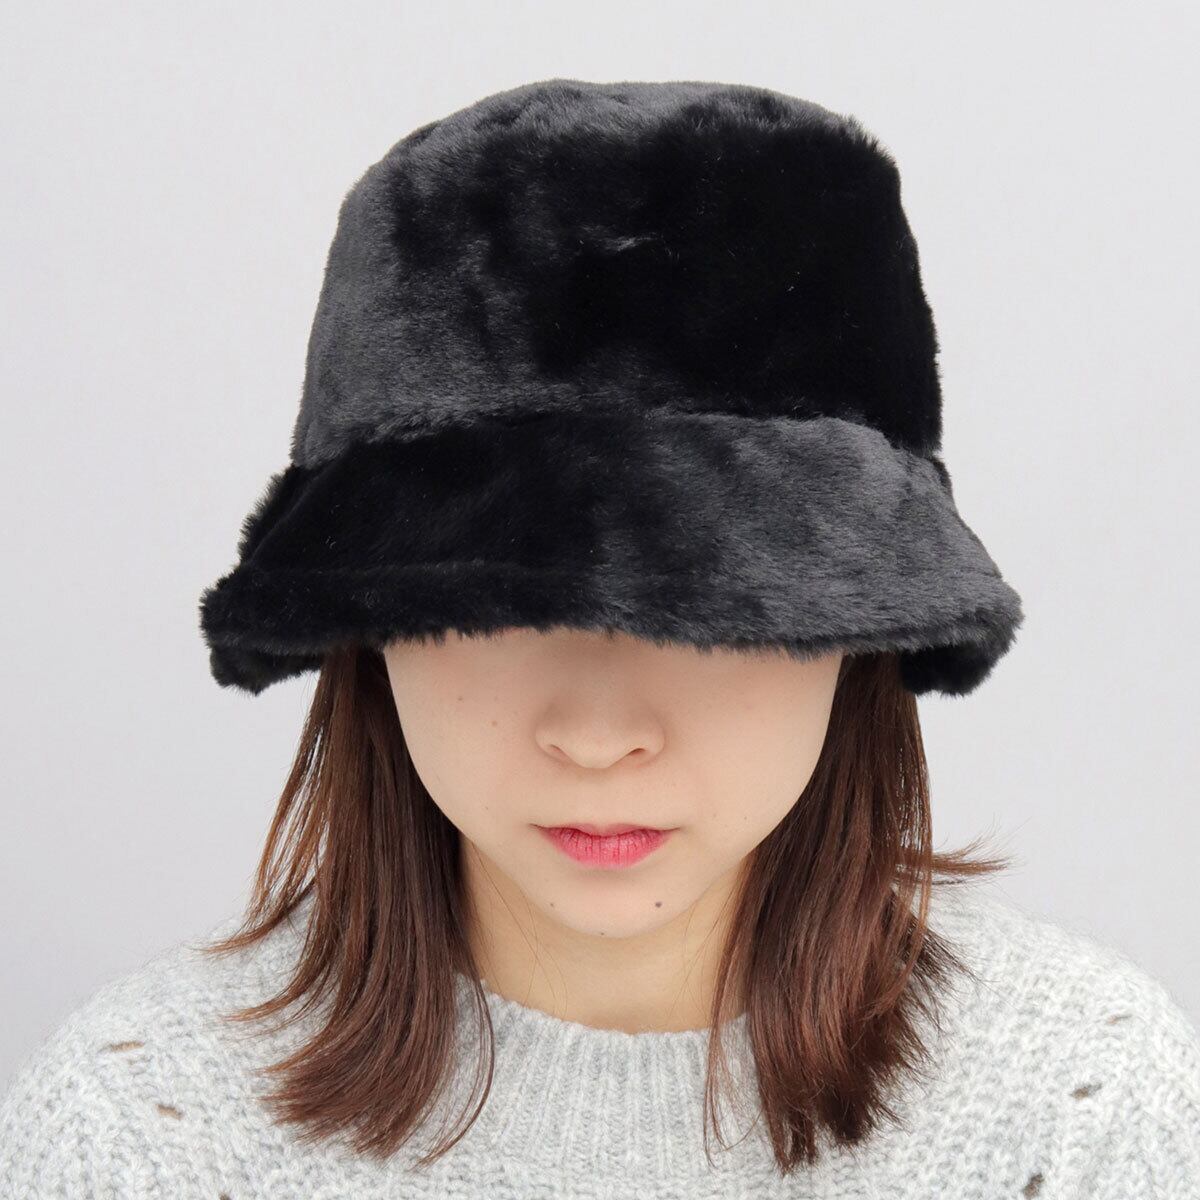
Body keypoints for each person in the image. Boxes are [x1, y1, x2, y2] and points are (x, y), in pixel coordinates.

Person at [2, 78, 1197, 1199]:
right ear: (371, 622)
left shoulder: (1080, 1118)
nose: (598, 731)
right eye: (501, 601)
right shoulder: (143, 1132)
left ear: (858, 628)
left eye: (705, 603)